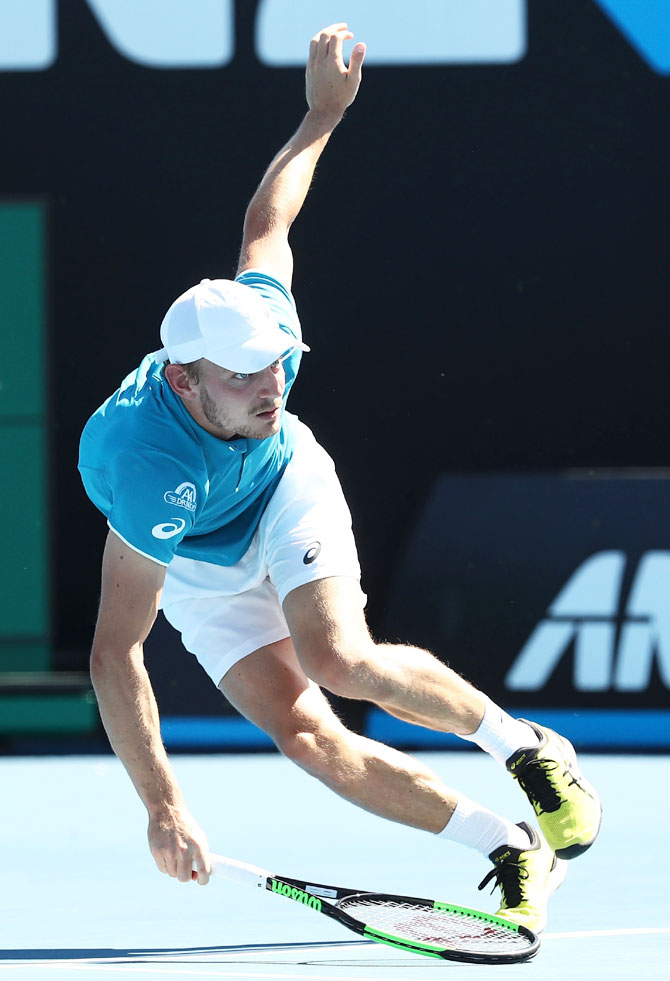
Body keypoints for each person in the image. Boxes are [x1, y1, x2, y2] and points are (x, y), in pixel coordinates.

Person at [79, 23, 601, 934]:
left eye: (277, 361)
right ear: (184, 377)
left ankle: (523, 745)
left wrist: (321, 113)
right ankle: (508, 846)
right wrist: (161, 803)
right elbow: (116, 647)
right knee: (309, 735)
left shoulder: (262, 345)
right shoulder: (143, 465)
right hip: (199, 555)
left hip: (282, 490)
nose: (271, 381)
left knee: (338, 657)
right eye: (243, 373)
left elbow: (267, 225)